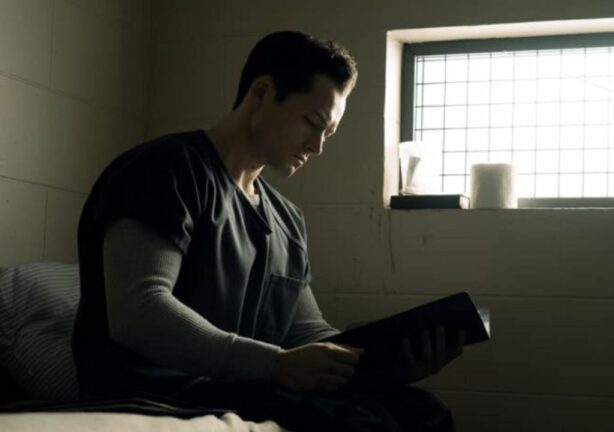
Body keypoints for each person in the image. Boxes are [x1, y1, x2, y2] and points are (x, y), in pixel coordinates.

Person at [72, 30, 464, 431]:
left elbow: (305, 332)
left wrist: (385, 362)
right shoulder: (166, 170)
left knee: (422, 412)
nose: (317, 146)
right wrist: (274, 364)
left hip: (242, 386)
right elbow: (139, 312)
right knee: (362, 424)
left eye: (328, 133)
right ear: (261, 93)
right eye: (312, 123)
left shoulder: (287, 220)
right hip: (156, 390)